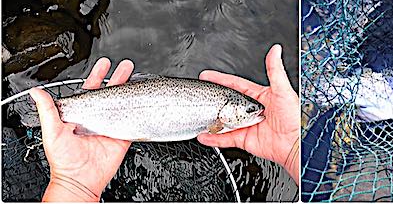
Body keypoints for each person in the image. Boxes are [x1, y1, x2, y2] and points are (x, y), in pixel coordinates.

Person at [29, 44, 299, 202]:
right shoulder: (218, 121)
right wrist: (293, 148)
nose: (256, 112)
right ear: (228, 110)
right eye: (251, 109)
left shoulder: (222, 112)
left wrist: (72, 187)